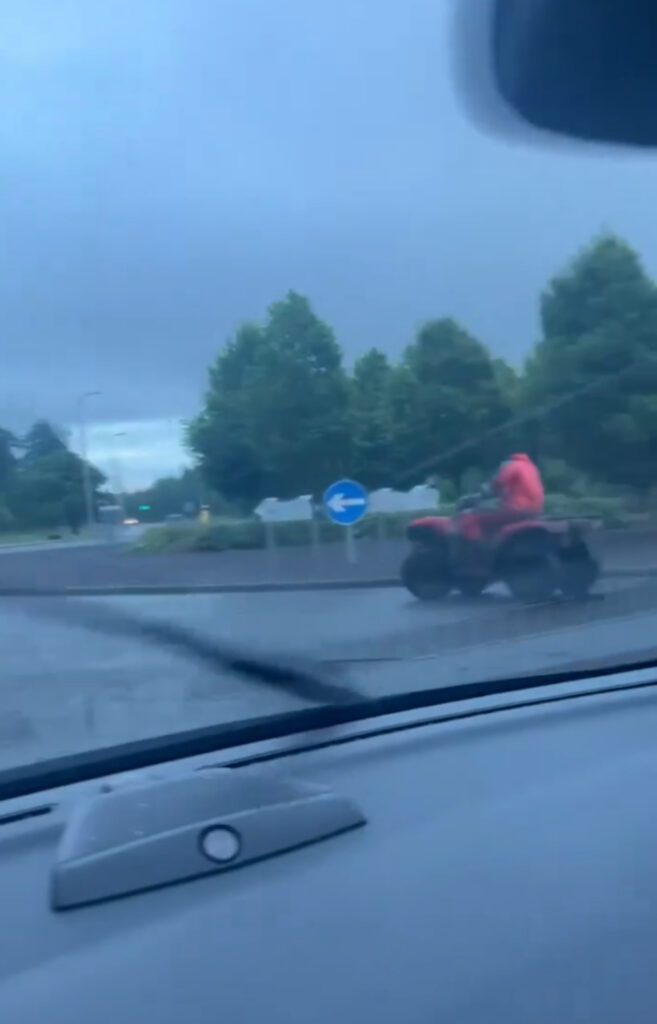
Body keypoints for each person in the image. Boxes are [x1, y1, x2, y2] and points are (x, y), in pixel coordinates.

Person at [462, 453, 545, 542]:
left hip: (516, 510)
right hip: (535, 510)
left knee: (473, 518)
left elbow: (499, 482)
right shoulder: (531, 467)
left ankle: (478, 547)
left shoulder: (512, 465)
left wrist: (487, 488)